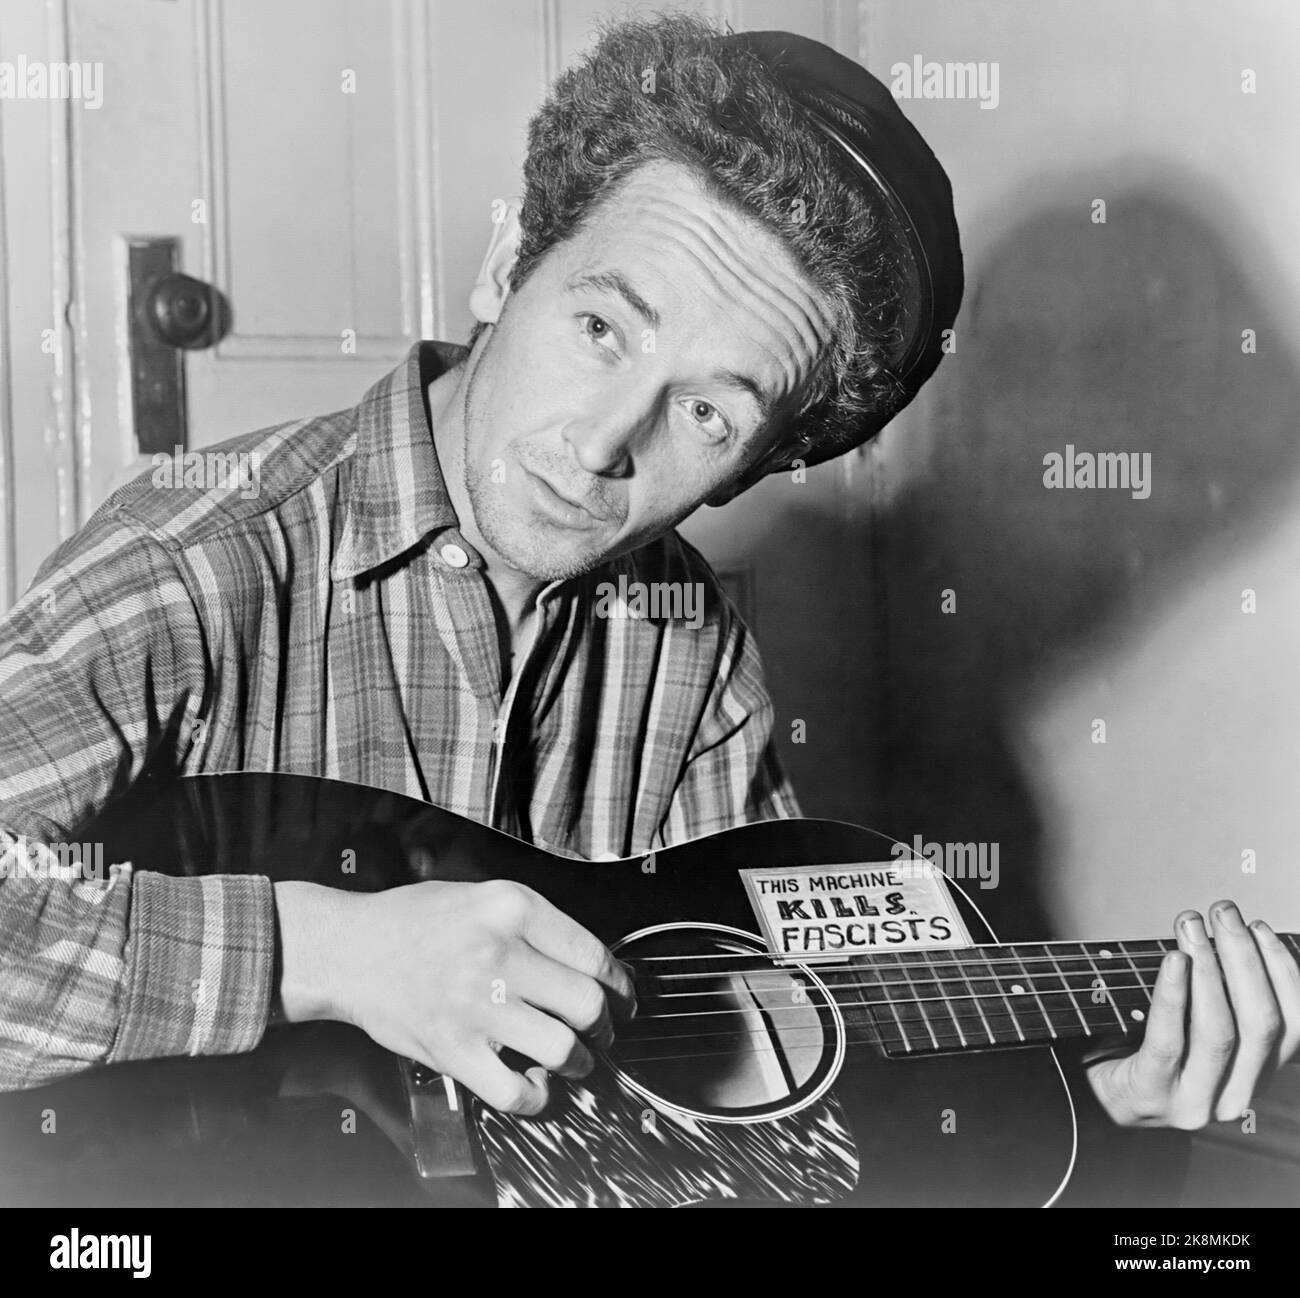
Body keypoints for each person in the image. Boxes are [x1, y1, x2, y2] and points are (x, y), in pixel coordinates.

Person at [0, 15, 1295, 1138]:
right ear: (507, 266)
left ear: (753, 468)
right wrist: (319, 951)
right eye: (600, 326)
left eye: (712, 415)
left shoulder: (691, 644)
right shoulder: (200, 565)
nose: (605, 438)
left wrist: (1095, 1100)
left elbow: (745, 1039)